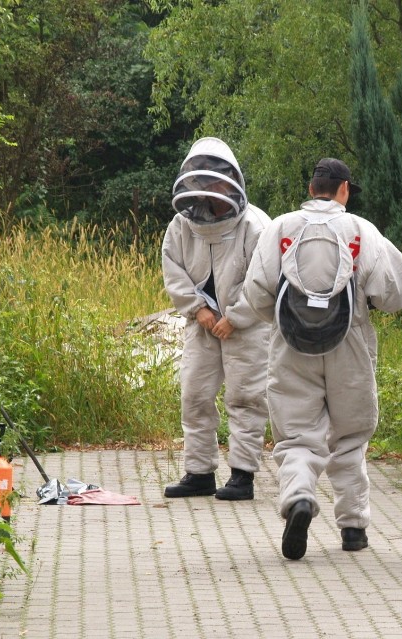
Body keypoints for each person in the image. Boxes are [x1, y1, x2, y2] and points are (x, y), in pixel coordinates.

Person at [243, 158, 402, 560]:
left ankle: (300, 497)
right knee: (351, 436)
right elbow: (394, 293)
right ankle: (353, 528)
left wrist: (287, 323)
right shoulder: (360, 231)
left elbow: (255, 293)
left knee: (296, 434)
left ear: (310, 189)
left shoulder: (280, 229)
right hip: (349, 345)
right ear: (345, 190)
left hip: (291, 346)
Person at [161, 137, 272, 501]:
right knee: (194, 394)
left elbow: (263, 278)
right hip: (203, 324)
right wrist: (199, 310)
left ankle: (242, 475)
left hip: (248, 328)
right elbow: (173, 270)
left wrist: (235, 317)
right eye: (206, 180)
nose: (212, 189)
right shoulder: (181, 225)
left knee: (246, 398)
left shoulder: (255, 225)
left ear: (232, 181)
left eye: (219, 181)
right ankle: (199, 472)